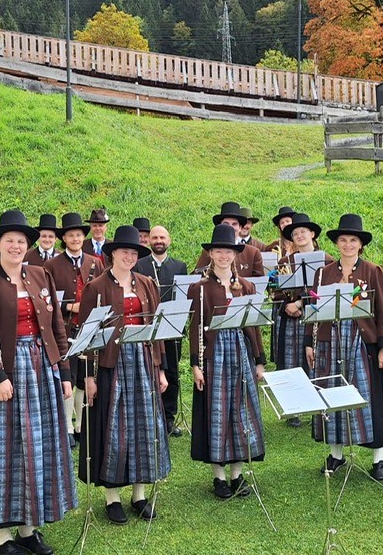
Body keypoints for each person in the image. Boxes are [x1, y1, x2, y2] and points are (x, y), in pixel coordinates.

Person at [0, 210, 77, 555]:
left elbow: (57, 326)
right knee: (6, 450)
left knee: (39, 447)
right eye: (9, 240)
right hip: (6, 373)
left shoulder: (39, 275)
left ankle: (28, 527)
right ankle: (2, 534)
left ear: (28, 247)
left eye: (21, 241)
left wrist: (65, 371)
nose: (15, 245)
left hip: (42, 369)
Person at [81, 226, 171, 522]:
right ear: (113, 254)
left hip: (143, 362)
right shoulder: (96, 287)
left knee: (144, 426)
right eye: (124, 252)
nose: (129, 257)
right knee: (114, 427)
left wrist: (160, 369)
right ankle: (112, 497)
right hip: (111, 365)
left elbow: (156, 331)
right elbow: (87, 336)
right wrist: (89, 377)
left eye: (134, 253)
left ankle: (140, 494)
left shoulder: (146, 283)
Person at [308, 214, 383, 480]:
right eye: (343, 240)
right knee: (332, 394)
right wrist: (308, 343)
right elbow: (314, 310)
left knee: (367, 398)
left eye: (353, 240)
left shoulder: (373, 271)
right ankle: (336, 454)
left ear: (361, 245)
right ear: (337, 244)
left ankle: (378, 458)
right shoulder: (323, 273)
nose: (348, 245)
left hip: (362, 342)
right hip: (330, 341)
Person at [188, 223, 267, 499]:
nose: (223, 256)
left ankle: (237, 473)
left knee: (240, 410)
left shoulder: (245, 286)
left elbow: (253, 327)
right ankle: (218, 477)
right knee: (217, 412)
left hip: (241, 353)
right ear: (211, 254)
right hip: (216, 355)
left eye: (228, 251)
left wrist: (259, 360)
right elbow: (196, 329)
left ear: (235, 255)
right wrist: (196, 364)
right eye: (218, 251)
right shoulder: (200, 289)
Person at [44, 212, 104, 444]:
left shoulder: (95, 262)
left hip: (88, 328)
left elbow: (101, 294)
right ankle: (67, 426)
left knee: (85, 376)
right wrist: (70, 306)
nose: (76, 238)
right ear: (64, 239)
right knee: (68, 374)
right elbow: (46, 299)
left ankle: (80, 425)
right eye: (71, 235)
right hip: (64, 328)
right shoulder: (51, 265)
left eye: (79, 235)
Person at [270, 213, 328, 427]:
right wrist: (286, 304)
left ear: (312, 234)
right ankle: (294, 408)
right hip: (291, 318)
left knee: (317, 359)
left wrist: (301, 303)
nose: (300, 235)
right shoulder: (285, 262)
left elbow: (325, 290)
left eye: (303, 231)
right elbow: (275, 290)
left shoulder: (328, 260)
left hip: (318, 317)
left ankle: (319, 404)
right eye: (295, 233)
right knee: (291, 361)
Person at [133, 225, 187, 435]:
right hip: (147, 326)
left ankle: (168, 418)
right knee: (148, 371)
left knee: (171, 372)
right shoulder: (139, 265)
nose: (158, 241)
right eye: (155, 237)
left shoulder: (179, 266)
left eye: (162, 237)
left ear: (169, 240)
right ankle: (149, 416)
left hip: (171, 327)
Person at [194, 202, 265, 277]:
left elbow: (259, 283)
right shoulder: (208, 252)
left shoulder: (253, 253)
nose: (230, 227)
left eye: (234, 224)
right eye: (226, 224)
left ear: (240, 227)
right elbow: (196, 277)